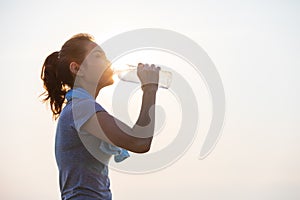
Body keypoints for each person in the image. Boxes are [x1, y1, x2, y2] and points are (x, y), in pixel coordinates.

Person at [40, 33, 160, 200]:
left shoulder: (80, 106)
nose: (108, 62)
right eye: (98, 56)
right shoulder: (80, 108)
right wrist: (150, 89)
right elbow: (139, 141)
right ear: (77, 69)